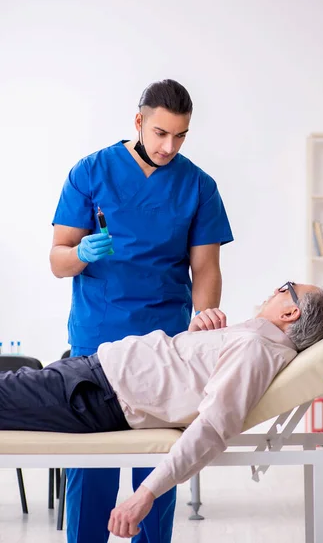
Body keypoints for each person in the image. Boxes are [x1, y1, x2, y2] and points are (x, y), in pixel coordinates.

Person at [0, 281, 323, 538]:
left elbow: (212, 425)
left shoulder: (258, 349)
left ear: (291, 312)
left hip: (91, 392)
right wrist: (196, 336)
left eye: (286, 289)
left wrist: (144, 495)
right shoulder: (256, 339)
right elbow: (192, 380)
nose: (275, 289)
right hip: (90, 379)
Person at [49, 79, 234, 543]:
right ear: (139, 122)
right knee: (91, 471)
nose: (169, 146)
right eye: (160, 133)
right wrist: (83, 254)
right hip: (96, 341)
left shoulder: (198, 186)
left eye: (180, 136)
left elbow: (206, 270)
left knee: (156, 472)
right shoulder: (91, 172)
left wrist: (202, 326)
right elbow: (58, 259)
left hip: (164, 349)